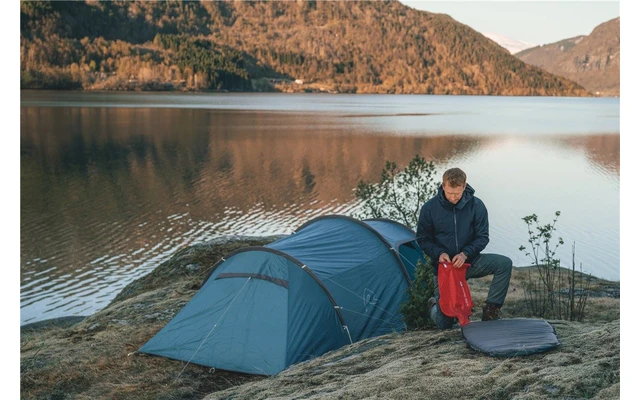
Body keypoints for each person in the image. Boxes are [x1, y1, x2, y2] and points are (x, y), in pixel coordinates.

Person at [416, 167, 512, 329]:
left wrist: (465, 254)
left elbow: (482, 237)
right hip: (445, 269)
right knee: (445, 324)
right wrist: (439, 253)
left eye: (457, 194)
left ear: (464, 186)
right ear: (443, 186)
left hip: (470, 262)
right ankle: (434, 305)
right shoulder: (429, 208)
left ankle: (491, 310)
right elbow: (423, 239)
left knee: (504, 264)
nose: (453, 198)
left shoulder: (477, 205)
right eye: (450, 193)